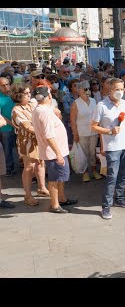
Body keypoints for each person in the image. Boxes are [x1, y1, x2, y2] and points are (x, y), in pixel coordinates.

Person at [91, 78, 125, 220]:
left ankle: (120, 198)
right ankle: (106, 206)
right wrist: (109, 132)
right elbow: (93, 126)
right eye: (117, 89)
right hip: (112, 147)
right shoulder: (101, 105)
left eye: (122, 89)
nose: (120, 92)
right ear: (110, 90)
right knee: (112, 176)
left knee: (123, 175)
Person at [31, 86, 77, 214]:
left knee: (59, 177)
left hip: (56, 151)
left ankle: (61, 199)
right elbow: (49, 135)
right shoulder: (44, 112)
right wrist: (58, 154)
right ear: (49, 97)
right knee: (55, 179)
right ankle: (55, 205)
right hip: (54, 153)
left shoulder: (40, 109)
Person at [10, 84, 50, 206]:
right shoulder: (16, 110)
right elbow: (27, 126)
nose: (29, 95)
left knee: (41, 163)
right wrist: (45, 132)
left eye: (29, 93)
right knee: (29, 166)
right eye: (26, 93)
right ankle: (27, 195)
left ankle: (42, 188)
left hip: (38, 139)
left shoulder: (32, 105)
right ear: (18, 95)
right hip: (26, 141)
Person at [70, 81, 101, 182]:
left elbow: (97, 116)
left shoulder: (93, 101)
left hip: (93, 131)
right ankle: (85, 173)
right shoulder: (76, 103)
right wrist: (75, 134)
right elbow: (73, 120)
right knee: (84, 153)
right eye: (84, 88)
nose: (87, 90)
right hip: (81, 132)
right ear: (79, 91)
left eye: (87, 88)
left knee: (92, 152)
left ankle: (94, 170)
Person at [0, 77, 15, 177]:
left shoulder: (13, 95)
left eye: (7, 84)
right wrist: (11, 123)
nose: (6, 87)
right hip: (5, 128)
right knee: (7, 149)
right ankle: (9, 169)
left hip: (16, 127)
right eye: (3, 85)